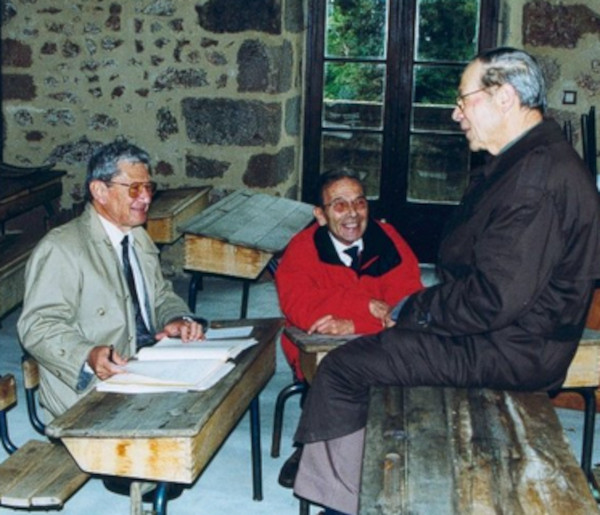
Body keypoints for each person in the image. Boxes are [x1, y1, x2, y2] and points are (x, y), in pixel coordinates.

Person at [292, 47, 600, 515]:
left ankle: (343, 504)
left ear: (504, 97)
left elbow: (493, 298)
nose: (456, 113)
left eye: (463, 99)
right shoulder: (528, 160)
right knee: (378, 357)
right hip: (506, 336)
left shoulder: (535, 178)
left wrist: (412, 310)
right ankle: (355, 475)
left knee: (343, 368)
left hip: (510, 348)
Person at [18, 139, 206, 420]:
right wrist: (87, 354)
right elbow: (37, 325)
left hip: (141, 366)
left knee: (219, 387)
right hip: (91, 392)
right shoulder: (63, 248)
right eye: (134, 188)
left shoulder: (136, 236)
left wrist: (176, 318)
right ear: (99, 191)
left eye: (148, 187)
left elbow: (160, 294)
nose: (146, 198)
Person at [274, 169, 423, 487]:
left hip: (379, 343)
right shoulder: (302, 248)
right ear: (321, 215)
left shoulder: (388, 239)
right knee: (331, 368)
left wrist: (355, 322)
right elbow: (300, 306)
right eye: (340, 205)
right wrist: (365, 305)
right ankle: (310, 446)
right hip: (321, 347)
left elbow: (407, 304)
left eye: (359, 202)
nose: (353, 214)